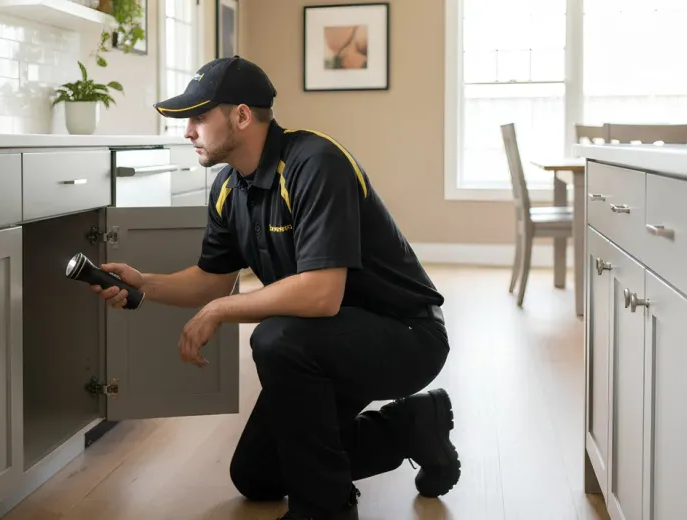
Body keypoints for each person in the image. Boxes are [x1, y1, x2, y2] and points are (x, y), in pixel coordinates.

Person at [86, 56, 459, 520]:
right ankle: (412, 426)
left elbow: (321, 294)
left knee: (276, 337)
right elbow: (211, 280)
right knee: (257, 473)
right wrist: (146, 284)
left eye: (198, 117)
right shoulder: (229, 187)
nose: (187, 132)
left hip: (406, 337)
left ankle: (324, 509)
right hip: (325, 345)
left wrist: (220, 310)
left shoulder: (316, 164)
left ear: (242, 116)